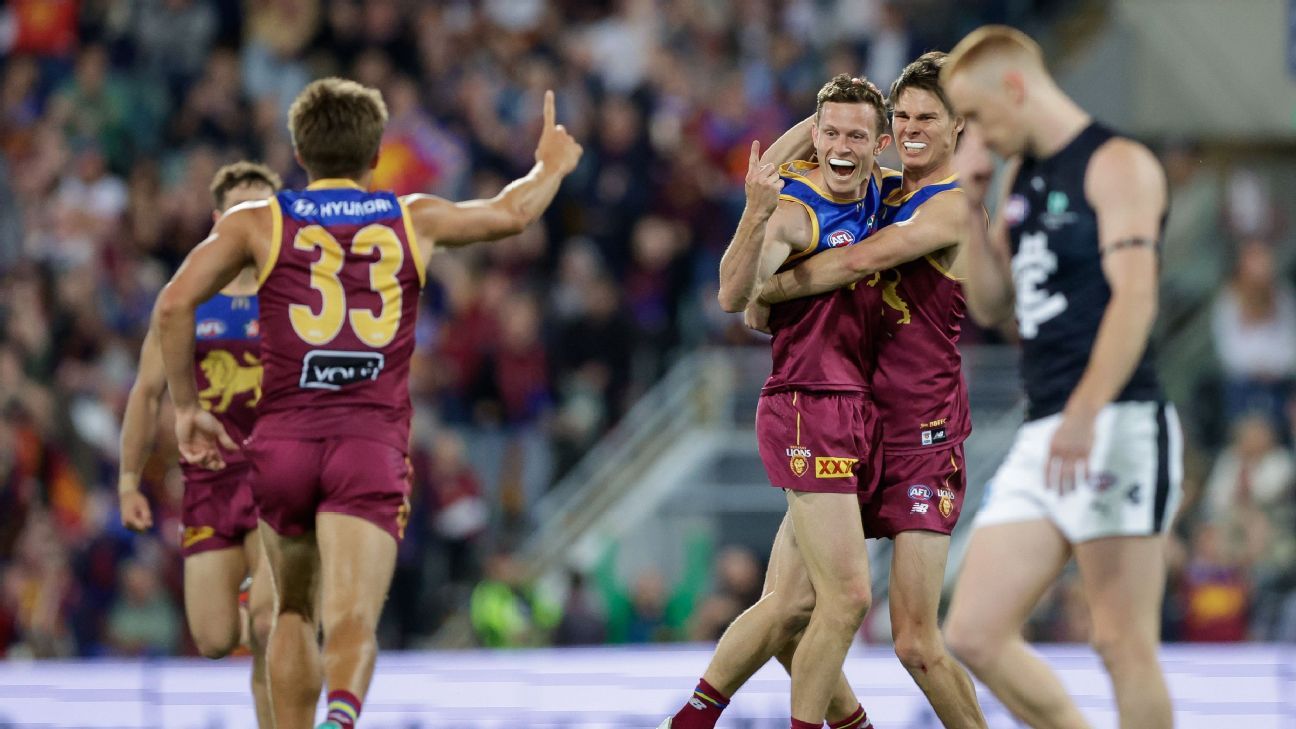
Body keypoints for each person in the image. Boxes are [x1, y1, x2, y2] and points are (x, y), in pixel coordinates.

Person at [153, 79, 581, 729]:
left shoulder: (258, 222)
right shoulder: (412, 216)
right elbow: (511, 212)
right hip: (367, 439)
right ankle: (341, 717)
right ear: (376, 153)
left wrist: (186, 406)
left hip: (285, 440)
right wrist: (548, 164)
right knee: (350, 613)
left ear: (299, 152)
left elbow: (173, 303)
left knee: (291, 611)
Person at [939, 26, 1182, 729]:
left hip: (1116, 418)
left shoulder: (1118, 164)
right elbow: (990, 305)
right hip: (1048, 423)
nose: (976, 135)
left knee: (1119, 638)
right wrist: (971, 206)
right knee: (973, 630)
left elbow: (1136, 298)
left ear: (1015, 89)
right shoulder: (1021, 179)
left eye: (978, 117)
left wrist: (1085, 410)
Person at [749, 51, 987, 729]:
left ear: (957, 128)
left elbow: (858, 260)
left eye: (926, 119)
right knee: (788, 612)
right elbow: (831, 146)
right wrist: (831, 121)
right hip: (849, 423)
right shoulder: (884, 186)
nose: (911, 129)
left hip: (921, 437)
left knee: (914, 639)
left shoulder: (954, 208)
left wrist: (765, 288)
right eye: (902, 117)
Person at [663, 74, 892, 729]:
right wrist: (755, 209)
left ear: (878, 143)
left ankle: (690, 720)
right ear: (815, 141)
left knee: (789, 605)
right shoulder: (795, 209)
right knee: (848, 596)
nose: (843, 147)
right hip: (807, 408)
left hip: (860, 414)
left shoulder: (888, 191)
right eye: (831, 134)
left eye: (856, 134)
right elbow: (735, 296)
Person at [118, 161, 281, 728]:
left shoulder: (297, 295)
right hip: (209, 483)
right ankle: (294, 627)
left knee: (266, 624)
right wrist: (126, 481)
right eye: (242, 210)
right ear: (218, 220)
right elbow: (145, 393)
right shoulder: (185, 300)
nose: (255, 221)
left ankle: (288, 629)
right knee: (215, 639)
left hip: (276, 483)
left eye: (265, 209)